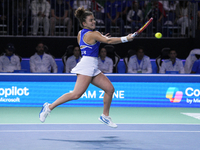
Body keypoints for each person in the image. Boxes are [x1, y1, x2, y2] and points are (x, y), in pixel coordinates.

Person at [39, 6, 135, 128]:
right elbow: (109, 41)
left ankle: (105, 116)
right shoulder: (94, 34)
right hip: (87, 66)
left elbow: (91, 44)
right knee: (75, 95)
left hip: (92, 66)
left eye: (94, 19)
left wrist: (100, 38)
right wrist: (127, 38)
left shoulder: (80, 33)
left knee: (110, 90)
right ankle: (49, 107)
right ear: (84, 23)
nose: (94, 22)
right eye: (91, 20)